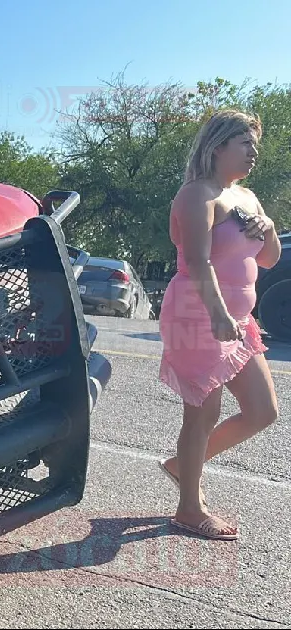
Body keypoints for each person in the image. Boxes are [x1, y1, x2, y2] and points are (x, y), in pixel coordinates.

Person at [157, 109, 281, 541]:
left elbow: (268, 260)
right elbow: (197, 261)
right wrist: (216, 314)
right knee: (203, 412)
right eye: (245, 143)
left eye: (255, 145)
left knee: (263, 411)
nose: (253, 153)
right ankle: (189, 508)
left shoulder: (247, 198)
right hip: (198, 311)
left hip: (237, 318)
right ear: (218, 146)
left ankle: (181, 466)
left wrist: (268, 230)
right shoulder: (197, 195)